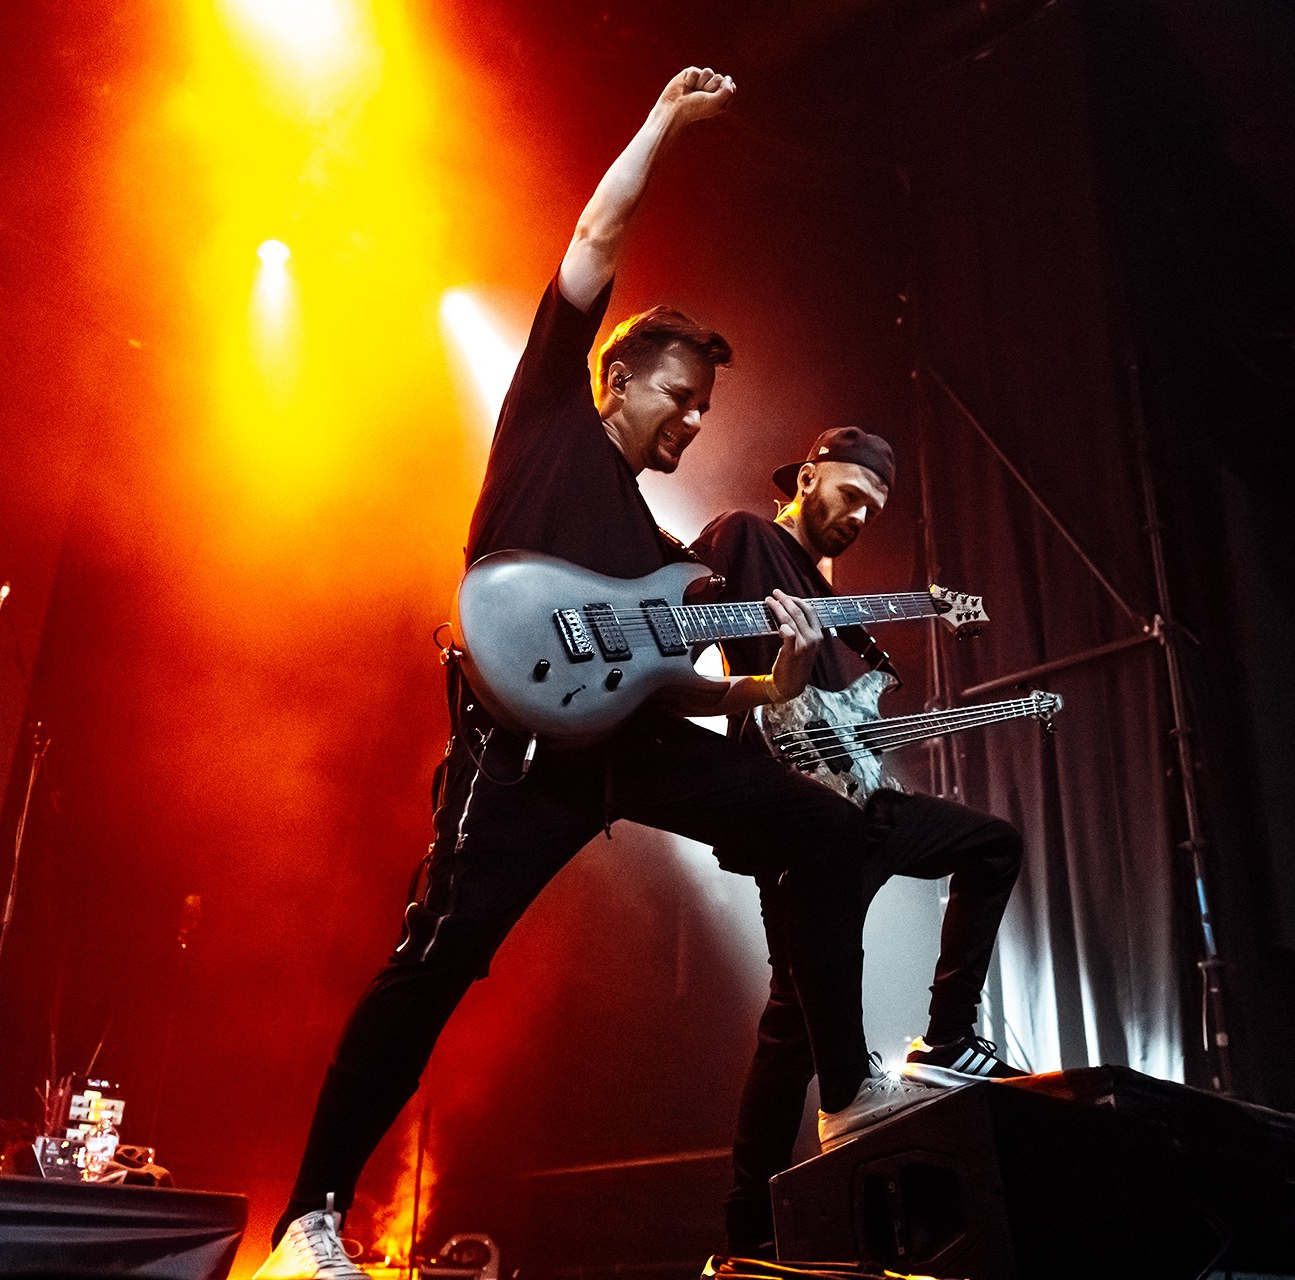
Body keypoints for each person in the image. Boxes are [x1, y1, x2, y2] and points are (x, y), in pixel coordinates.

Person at [255, 71, 940, 1280]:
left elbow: (678, 688)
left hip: (631, 751)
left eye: (707, 408)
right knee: (435, 962)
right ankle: (308, 1219)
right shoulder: (546, 425)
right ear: (618, 382)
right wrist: (665, 124)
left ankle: (844, 1089)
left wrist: (771, 683)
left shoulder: (665, 556)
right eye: (682, 396)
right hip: (518, 760)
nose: (695, 422)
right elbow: (594, 238)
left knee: (834, 826)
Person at [692, 426, 1029, 1257]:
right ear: (808, 478)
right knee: (792, 1030)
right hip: (801, 817)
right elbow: (684, 603)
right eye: (850, 496)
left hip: (864, 808)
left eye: (875, 510)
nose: (859, 517)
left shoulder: (841, 609)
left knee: (992, 845)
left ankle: (947, 1039)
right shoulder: (751, 537)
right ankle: (746, 1238)